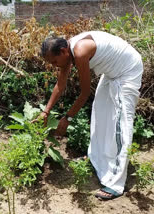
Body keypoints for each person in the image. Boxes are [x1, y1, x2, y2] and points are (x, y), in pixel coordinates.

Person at [39, 31, 143, 200]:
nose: (54, 65)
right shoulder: (68, 51)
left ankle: (116, 184)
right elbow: (61, 83)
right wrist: (45, 111)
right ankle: (96, 157)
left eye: (54, 61)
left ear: (64, 51)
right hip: (112, 71)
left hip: (127, 71)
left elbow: (85, 93)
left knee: (120, 123)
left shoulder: (80, 52)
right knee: (100, 112)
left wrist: (67, 119)